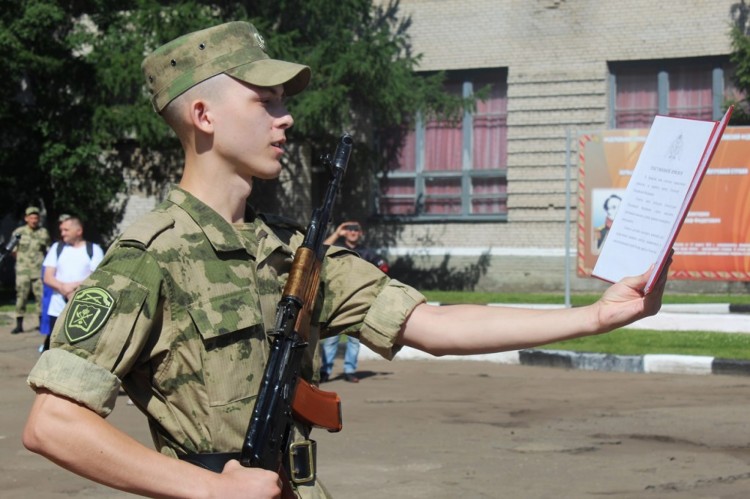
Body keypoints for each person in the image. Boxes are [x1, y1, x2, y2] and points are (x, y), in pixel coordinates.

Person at [22, 21, 668, 499]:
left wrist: (594, 316)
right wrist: (208, 488)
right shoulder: (147, 258)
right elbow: (54, 424)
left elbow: (432, 323)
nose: (286, 117)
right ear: (202, 114)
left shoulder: (287, 250)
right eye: (265, 101)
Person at [319, 221, 388, 383]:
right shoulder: (336, 248)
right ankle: (325, 371)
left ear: (361, 233)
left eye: (356, 229)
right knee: (331, 339)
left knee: (354, 340)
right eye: (349, 229)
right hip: (335, 300)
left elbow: (382, 267)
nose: (352, 232)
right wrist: (336, 233)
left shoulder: (367, 253)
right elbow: (319, 250)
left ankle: (349, 370)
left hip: (359, 302)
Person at [41, 216, 104, 351]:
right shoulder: (57, 248)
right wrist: (64, 288)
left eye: (66, 230)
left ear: (78, 231)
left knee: (77, 349)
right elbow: (47, 277)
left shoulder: (94, 250)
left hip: (82, 311)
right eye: (61, 230)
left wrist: (74, 288)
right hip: (57, 308)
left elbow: (97, 278)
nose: (62, 233)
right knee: (53, 347)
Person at [10, 206, 51, 334]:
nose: (34, 220)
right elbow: (12, 250)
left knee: (40, 297)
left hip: (38, 270)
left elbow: (49, 250)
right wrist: (22, 262)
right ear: (26, 218)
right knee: (21, 296)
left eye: (36, 217)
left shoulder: (43, 232)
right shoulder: (19, 232)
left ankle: (41, 324)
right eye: (31, 217)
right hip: (23, 270)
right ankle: (19, 325)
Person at [39, 214, 72, 346]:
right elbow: (48, 276)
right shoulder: (57, 248)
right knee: (50, 313)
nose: (62, 230)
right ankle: (48, 340)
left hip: (66, 289)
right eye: (61, 226)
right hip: (53, 286)